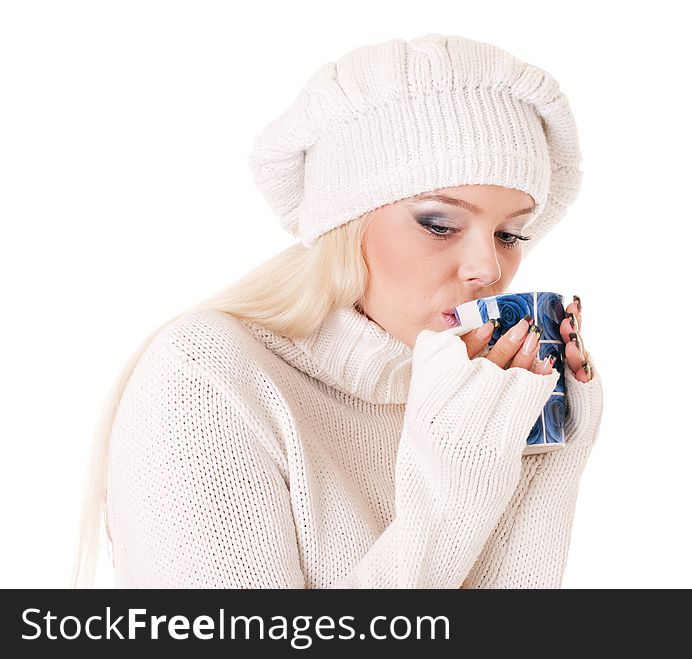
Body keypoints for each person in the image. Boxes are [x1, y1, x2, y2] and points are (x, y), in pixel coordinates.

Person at [71, 32, 603, 589]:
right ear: (344, 226)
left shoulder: (470, 392)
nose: (488, 268)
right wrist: (457, 476)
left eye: (510, 233)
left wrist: (540, 453)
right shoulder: (208, 375)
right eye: (439, 224)